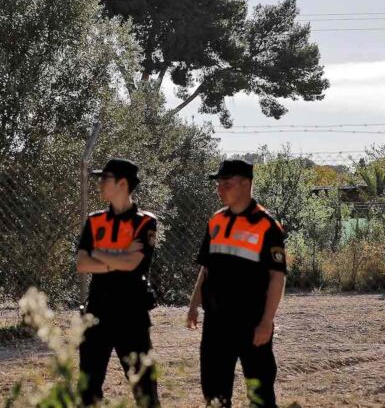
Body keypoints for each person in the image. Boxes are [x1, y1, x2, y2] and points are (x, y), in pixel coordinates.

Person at [186, 159, 287, 408]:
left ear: (245, 184)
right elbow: (207, 267)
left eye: (226, 184)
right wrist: (193, 304)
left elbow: (277, 277)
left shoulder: (267, 226)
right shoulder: (216, 221)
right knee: (214, 391)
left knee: (260, 392)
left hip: (251, 322)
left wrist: (266, 322)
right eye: (218, 184)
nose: (220, 189)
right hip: (216, 322)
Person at [75, 158, 161, 407]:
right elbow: (81, 263)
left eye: (105, 179)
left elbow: (133, 263)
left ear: (122, 183)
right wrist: (117, 258)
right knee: (88, 388)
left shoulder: (145, 222)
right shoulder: (94, 220)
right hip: (97, 313)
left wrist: (99, 254)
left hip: (132, 314)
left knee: (145, 389)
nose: (100, 184)